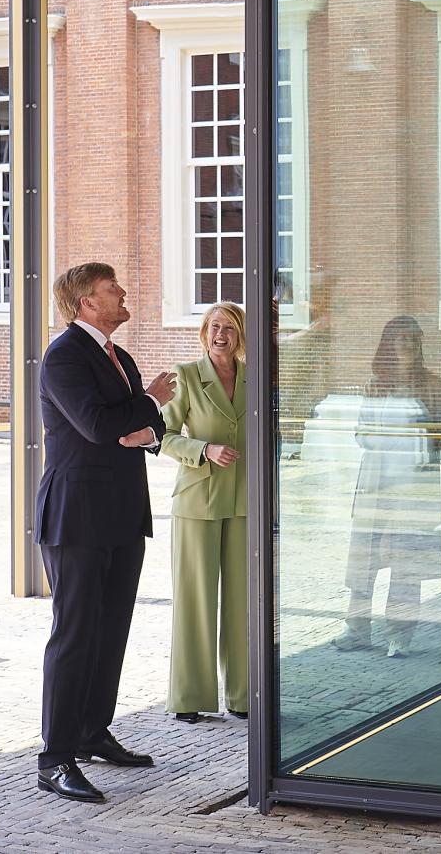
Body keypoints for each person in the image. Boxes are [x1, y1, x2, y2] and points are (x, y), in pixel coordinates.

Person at [35, 263, 176, 804]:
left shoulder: (122, 358)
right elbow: (97, 426)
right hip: (77, 515)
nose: (122, 294)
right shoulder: (64, 355)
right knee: (74, 634)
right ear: (85, 303)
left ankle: (93, 733)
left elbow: (146, 431)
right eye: (111, 289)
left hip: (121, 512)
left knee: (112, 629)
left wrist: (141, 424)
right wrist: (152, 401)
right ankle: (55, 757)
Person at [333, 317, 441, 657]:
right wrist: (381, 440)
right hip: (376, 484)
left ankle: (400, 634)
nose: (407, 346)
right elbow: (360, 432)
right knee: (364, 560)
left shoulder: (432, 384)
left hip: (413, 486)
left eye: (413, 340)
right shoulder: (375, 384)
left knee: (407, 561)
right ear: (388, 345)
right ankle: (357, 629)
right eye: (400, 340)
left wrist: (418, 437)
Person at [157, 303, 248, 723]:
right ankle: (190, 696)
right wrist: (203, 450)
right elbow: (163, 436)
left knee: (243, 601)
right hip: (198, 499)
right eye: (214, 327)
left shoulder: (253, 377)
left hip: (246, 499)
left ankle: (244, 694)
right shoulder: (187, 376)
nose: (220, 334)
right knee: (196, 600)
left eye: (229, 327)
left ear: (240, 334)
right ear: (203, 332)